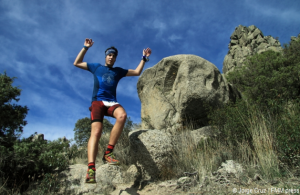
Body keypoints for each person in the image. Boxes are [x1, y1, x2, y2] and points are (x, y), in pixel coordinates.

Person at [73, 38, 152, 183]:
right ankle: (91, 168)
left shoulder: (118, 71)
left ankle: (108, 152)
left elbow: (136, 72)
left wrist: (144, 59)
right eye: (109, 55)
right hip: (97, 102)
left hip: (111, 102)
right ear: (106, 56)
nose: (111, 57)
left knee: (122, 115)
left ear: (115, 58)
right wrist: (85, 47)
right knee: (96, 132)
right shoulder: (96, 67)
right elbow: (76, 62)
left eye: (114, 55)